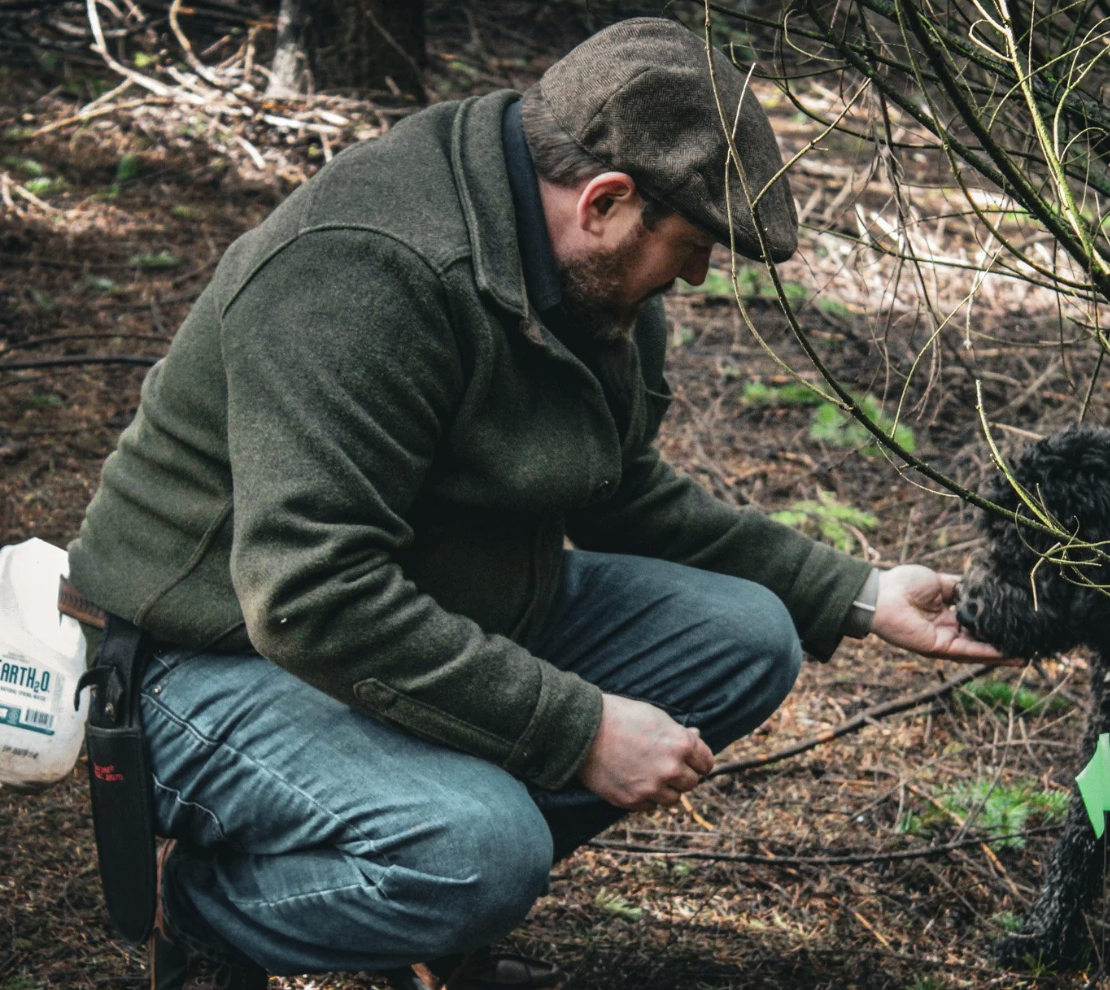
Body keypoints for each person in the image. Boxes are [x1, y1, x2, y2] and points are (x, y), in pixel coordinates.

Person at [66, 17, 1004, 990]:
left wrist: (857, 591)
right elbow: (308, 592)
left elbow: (618, 492)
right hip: (209, 657)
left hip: (419, 611)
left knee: (744, 635)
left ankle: (416, 891)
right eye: (688, 245)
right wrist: (578, 729)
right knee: (479, 850)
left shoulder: (580, 273)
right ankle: (219, 912)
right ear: (604, 198)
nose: (694, 275)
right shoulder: (367, 263)